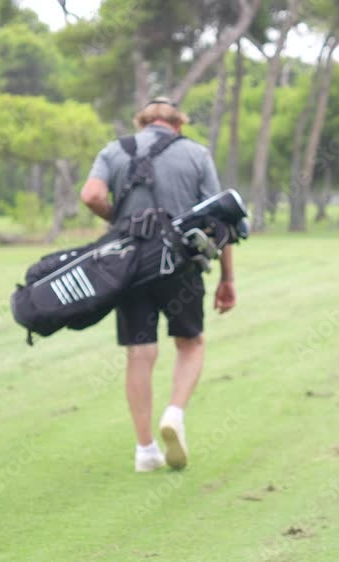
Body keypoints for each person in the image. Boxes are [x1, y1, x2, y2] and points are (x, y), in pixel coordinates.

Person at [80, 98, 237, 472]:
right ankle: (174, 413)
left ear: (142, 123)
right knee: (190, 343)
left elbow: (91, 195)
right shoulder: (196, 154)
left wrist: (118, 218)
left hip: (129, 265)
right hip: (181, 264)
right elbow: (221, 218)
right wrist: (227, 278)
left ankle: (145, 450)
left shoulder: (114, 150)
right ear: (178, 125)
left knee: (140, 352)